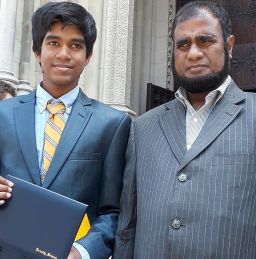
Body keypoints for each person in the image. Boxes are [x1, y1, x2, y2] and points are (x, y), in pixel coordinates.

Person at [114, 1, 256, 258]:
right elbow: (128, 227)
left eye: (205, 41)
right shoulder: (142, 128)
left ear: (230, 46)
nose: (193, 53)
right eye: (183, 44)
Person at [0, 2, 130, 259]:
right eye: (54, 43)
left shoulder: (112, 124)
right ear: (37, 52)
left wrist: (82, 251)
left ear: (88, 56)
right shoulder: (3, 115)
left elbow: (113, 211)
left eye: (76, 45)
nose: (64, 54)